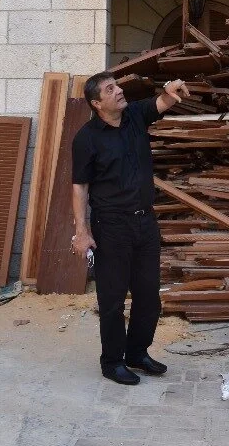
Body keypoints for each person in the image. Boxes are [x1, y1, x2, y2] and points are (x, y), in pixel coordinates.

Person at [70, 71, 189, 385]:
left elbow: (162, 101)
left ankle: (137, 353)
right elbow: (80, 187)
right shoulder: (86, 138)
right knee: (111, 299)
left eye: (117, 86)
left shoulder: (136, 115)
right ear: (97, 103)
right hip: (111, 227)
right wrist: (82, 231)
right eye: (111, 89)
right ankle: (112, 361)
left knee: (149, 295)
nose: (119, 91)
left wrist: (171, 89)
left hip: (145, 222)